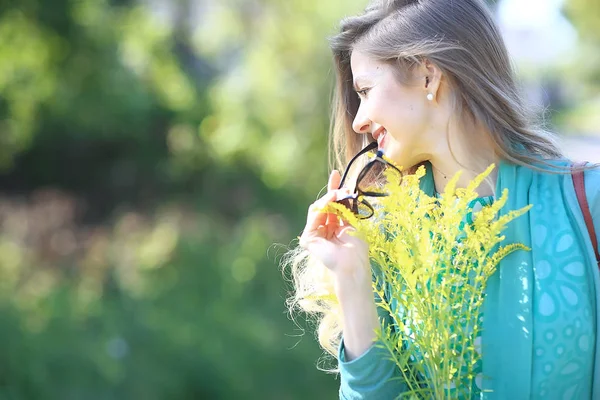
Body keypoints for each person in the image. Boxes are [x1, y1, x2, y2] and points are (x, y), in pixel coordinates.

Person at [284, 0, 600, 398]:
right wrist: (351, 276)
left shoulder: (587, 202)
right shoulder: (383, 239)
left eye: (365, 90)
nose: (357, 120)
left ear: (428, 76)